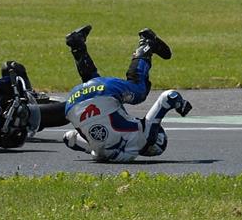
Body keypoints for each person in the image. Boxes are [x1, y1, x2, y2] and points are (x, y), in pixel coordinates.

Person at [62, 25, 192, 162]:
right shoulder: (102, 152)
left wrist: (180, 104)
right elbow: (69, 138)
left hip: (101, 95)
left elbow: (168, 97)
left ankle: (146, 44)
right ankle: (77, 46)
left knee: (139, 90)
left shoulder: (145, 137)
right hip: (72, 104)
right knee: (100, 96)